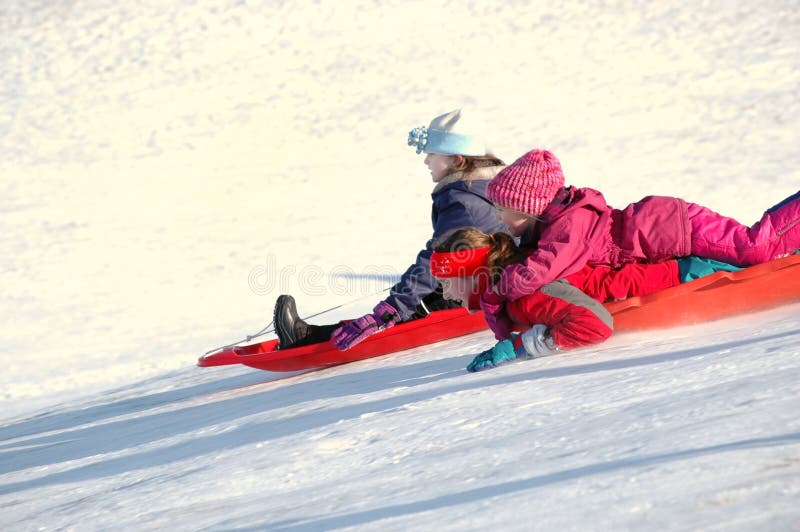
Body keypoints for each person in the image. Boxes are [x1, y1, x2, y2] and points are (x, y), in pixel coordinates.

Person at [480, 148, 800, 340]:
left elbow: (541, 270)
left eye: (503, 210)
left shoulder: (567, 227)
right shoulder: (557, 224)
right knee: (751, 253)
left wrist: (496, 290)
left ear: (529, 207)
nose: (499, 218)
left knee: (755, 248)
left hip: (672, 228)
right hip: (663, 228)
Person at [273, 108, 512, 350]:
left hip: (478, 290)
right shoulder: (482, 188)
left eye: (432, 154)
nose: (427, 161)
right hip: (482, 281)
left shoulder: (464, 202)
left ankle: (308, 339)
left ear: (457, 160)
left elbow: (436, 261)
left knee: (411, 312)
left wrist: (391, 310)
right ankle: (312, 334)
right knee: (419, 299)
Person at [430, 227, 742, 371]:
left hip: (688, 276)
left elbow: (594, 325)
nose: (445, 294)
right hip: (678, 270)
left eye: (448, 283)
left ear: (477, 277)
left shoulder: (528, 295)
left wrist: (520, 346)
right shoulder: (518, 284)